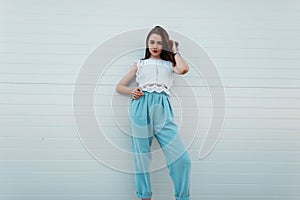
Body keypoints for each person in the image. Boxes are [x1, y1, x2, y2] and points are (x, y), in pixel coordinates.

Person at [116, 25, 191, 200]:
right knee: (141, 156)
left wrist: (174, 51)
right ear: (147, 43)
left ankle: (182, 197)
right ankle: (145, 196)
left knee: (182, 159)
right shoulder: (139, 64)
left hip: (163, 107)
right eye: (152, 42)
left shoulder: (170, 63)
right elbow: (120, 86)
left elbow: (184, 69)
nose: (155, 46)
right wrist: (132, 91)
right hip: (141, 106)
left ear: (164, 44)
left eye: (159, 42)